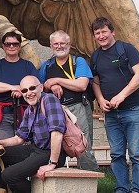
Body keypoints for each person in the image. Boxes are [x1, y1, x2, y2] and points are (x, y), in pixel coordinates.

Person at [90, 17, 139, 193]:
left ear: (112, 32)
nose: (101, 35)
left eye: (104, 31)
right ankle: (122, 188)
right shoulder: (96, 56)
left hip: (133, 109)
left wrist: (121, 96)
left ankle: (137, 190)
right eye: (97, 33)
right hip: (111, 114)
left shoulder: (126, 49)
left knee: (137, 153)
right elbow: (96, 82)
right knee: (117, 154)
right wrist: (100, 99)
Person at [0, 75, 66, 193]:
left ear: (40, 87)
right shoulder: (30, 109)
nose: (28, 93)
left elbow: (57, 133)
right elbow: (20, 138)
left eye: (32, 88)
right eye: (24, 90)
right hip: (35, 149)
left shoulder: (49, 100)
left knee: (9, 175)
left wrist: (52, 163)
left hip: (50, 153)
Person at [38, 30, 99, 170]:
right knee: (55, 145)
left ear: (69, 45)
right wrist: (52, 85)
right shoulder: (46, 66)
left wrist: (56, 80)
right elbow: (41, 87)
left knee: (83, 146)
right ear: (51, 46)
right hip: (55, 111)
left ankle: (89, 184)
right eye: (56, 44)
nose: (59, 46)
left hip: (78, 108)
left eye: (62, 43)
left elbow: (82, 85)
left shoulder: (78, 61)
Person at [0, 31, 38, 141]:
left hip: (26, 114)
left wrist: (21, 92)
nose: (11, 46)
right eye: (8, 44)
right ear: (3, 47)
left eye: (15, 44)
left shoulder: (28, 65)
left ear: (19, 47)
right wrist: (13, 87)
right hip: (2, 116)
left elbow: (36, 85)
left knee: (27, 147)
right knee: (5, 148)